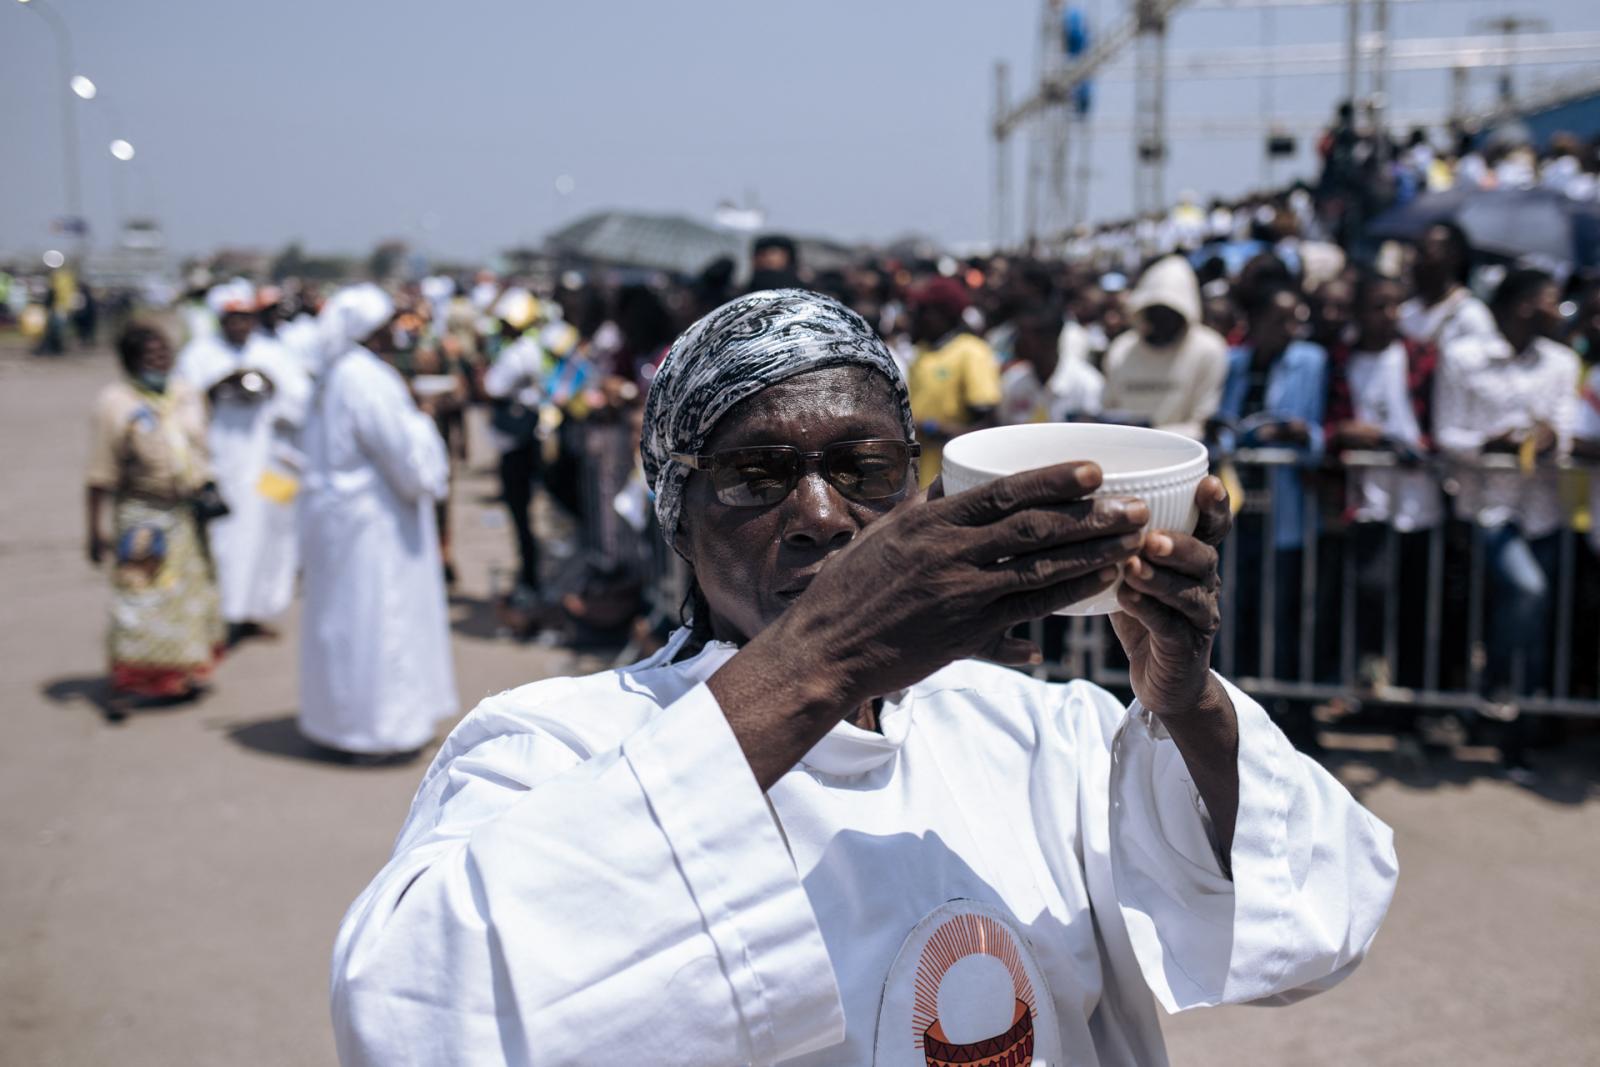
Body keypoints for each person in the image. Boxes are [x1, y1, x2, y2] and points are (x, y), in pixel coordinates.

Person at [331, 288, 1397, 1067]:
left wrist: (1187, 702)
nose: (823, 515)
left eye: (864, 470)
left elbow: (1315, 932)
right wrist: (821, 658)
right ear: (675, 511)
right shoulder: (551, 746)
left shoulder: (1040, 731)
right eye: (758, 474)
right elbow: (415, 1021)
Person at [298, 284, 456, 760]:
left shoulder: (340, 373)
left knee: (348, 620)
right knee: (379, 619)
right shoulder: (365, 378)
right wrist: (426, 419)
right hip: (374, 526)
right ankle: (378, 729)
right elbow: (406, 461)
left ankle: (345, 723)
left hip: (346, 522)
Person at [1434, 269, 1580, 715]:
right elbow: (1447, 433)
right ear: (1523, 305)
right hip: (1487, 506)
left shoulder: (1561, 361)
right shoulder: (1462, 356)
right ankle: (1495, 680)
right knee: (1528, 589)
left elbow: (1565, 425)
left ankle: (1522, 718)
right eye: (1551, 300)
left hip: (1544, 506)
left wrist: (1552, 438)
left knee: (1537, 619)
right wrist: (1489, 444)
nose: (1560, 311)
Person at [85, 323, 224, 719]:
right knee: (140, 600)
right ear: (130, 361)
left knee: (189, 601)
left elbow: (201, 447)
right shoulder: (116, 403)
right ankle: (129, 686)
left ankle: (177, 677)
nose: (159, 361)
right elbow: (99, 473)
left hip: (186, 515)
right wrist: (94, 531)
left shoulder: (185, 394)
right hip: (144, 517)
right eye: (149, 355)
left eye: (164, 354)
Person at [174, 281, 310, 644]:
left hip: (272, 465)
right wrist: (216, 389)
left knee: (273, 537)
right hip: (222, 465)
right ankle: (222, 617)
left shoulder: (274, 352)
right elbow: (181, 405)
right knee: (224, 542)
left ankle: (256, 611)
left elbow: (300, 403)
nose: (240, 325)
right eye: (233, 319)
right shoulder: (199, 354)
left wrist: (270, 385)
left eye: (246, 318)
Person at [1325, 272, 1441, 690]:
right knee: (1370, 592)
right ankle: (1368, 685)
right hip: (1366, 499)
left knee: (1417, 605)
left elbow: (1435, 426)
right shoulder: (1343, 360)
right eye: (1377, 306)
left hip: (1419, 499)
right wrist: (1343, 433)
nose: (1388, 315)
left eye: (1394, 305)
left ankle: (1413, 697)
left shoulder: (1420, 355)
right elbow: (1330, 426)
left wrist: (1396, 440)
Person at [1219, 282, 1328, 692]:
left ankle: (1287, 699)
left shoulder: (1309, 361)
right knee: (1235, 605)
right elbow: (1224, 421)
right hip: (1237, 504)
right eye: (1278, 319)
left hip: (1285, 503)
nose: (1288, 328)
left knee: (1283, 609)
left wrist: (1297, 434)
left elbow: (1315, 432)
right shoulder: (1234, 363)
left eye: (1294, 319)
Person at [1099, 255, 1229, 439]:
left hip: (1186, 457)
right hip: (1126, 452)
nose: (1161, 322)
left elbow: (1202, 422)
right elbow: (1108, 410)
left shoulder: (1208, 349)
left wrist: (1152, 436)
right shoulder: (1121, 349)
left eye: (1169, 314)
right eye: (1154, 312)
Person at [904, 277, 1001, 486]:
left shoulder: (972, 351)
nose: (916, 317)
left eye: (923, 310)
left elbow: (988, 426)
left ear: (942, 314)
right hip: (921, 475)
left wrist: (932, 429)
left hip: (954, 478)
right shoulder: (921, 352)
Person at [1398, 222, 1496, 350]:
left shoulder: (1471, 314)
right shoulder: (1405, 313)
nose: (1417, 260)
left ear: (1454, 257)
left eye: (1426, 250)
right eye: (1418, 250)